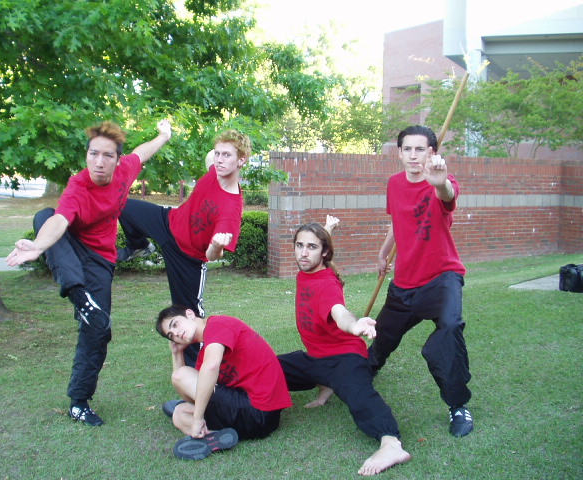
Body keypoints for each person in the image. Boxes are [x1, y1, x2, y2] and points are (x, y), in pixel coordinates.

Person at [6, 119, 172, 426]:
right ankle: (78, 295)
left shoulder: (124, 172)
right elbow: (59, 221)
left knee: (98, 331)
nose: (99, 161)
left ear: (117, 160)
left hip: (100, 260)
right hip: (69, 247)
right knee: (45, 215)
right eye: (93, 153)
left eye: (107, 155)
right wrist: (39, 245)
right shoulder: (78, 186)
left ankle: (79, 403)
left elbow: (142, 152)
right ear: (86, 155)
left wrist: (163, 135)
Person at [277, 222, 411, 476]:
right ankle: (326, 385)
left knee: (359, 396)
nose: (303, 253)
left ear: (324, 252)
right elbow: (319, 247)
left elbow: (338, 312)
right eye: (299, 245)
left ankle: (391, 444)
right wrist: (327, 229)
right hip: (315, 359)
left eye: (311, 247)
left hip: (344, 358)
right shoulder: (308, 271)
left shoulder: (326, 284)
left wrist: (353, 325)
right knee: (268, 367)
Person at [368, 124, 473, 438]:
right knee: (381, 341)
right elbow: (397, 222)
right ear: (400, 153)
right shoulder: (394, 184)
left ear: (432, 153)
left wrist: (440, 184)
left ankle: (458, 406)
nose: (413, 155)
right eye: (407, 149)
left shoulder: (442, 181)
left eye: (420, 149)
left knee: (450, 329)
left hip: (442, 278)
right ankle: (359, 376)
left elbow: (448, 196)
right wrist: (383, 253)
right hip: (404, 283)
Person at [116, 130, 251, 364]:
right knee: (120, 204)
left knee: (189, 315)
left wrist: (216, 245)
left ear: (242, 160)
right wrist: (165, 135)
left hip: (188, 259)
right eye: (218, 153)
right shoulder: (214, 170)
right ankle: (138, 246)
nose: (220, 159)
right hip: (169, 223)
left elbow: (213, 255)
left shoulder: (231, 210)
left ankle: (198, 368)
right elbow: (210, 159)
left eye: (227, 155)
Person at [156, 305, 292, 460]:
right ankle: (213, 437)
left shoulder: (218, 325)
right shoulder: (205, 352)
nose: (176, 333)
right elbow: (193, 394)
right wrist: (177, 353)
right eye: (171, 335)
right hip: (249, 411)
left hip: (260, 411)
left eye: (175, 324)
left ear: (190, 314)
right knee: (179, 414)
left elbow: (209, 368)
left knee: (182, 376)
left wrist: (197, 418)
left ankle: (202, 429)